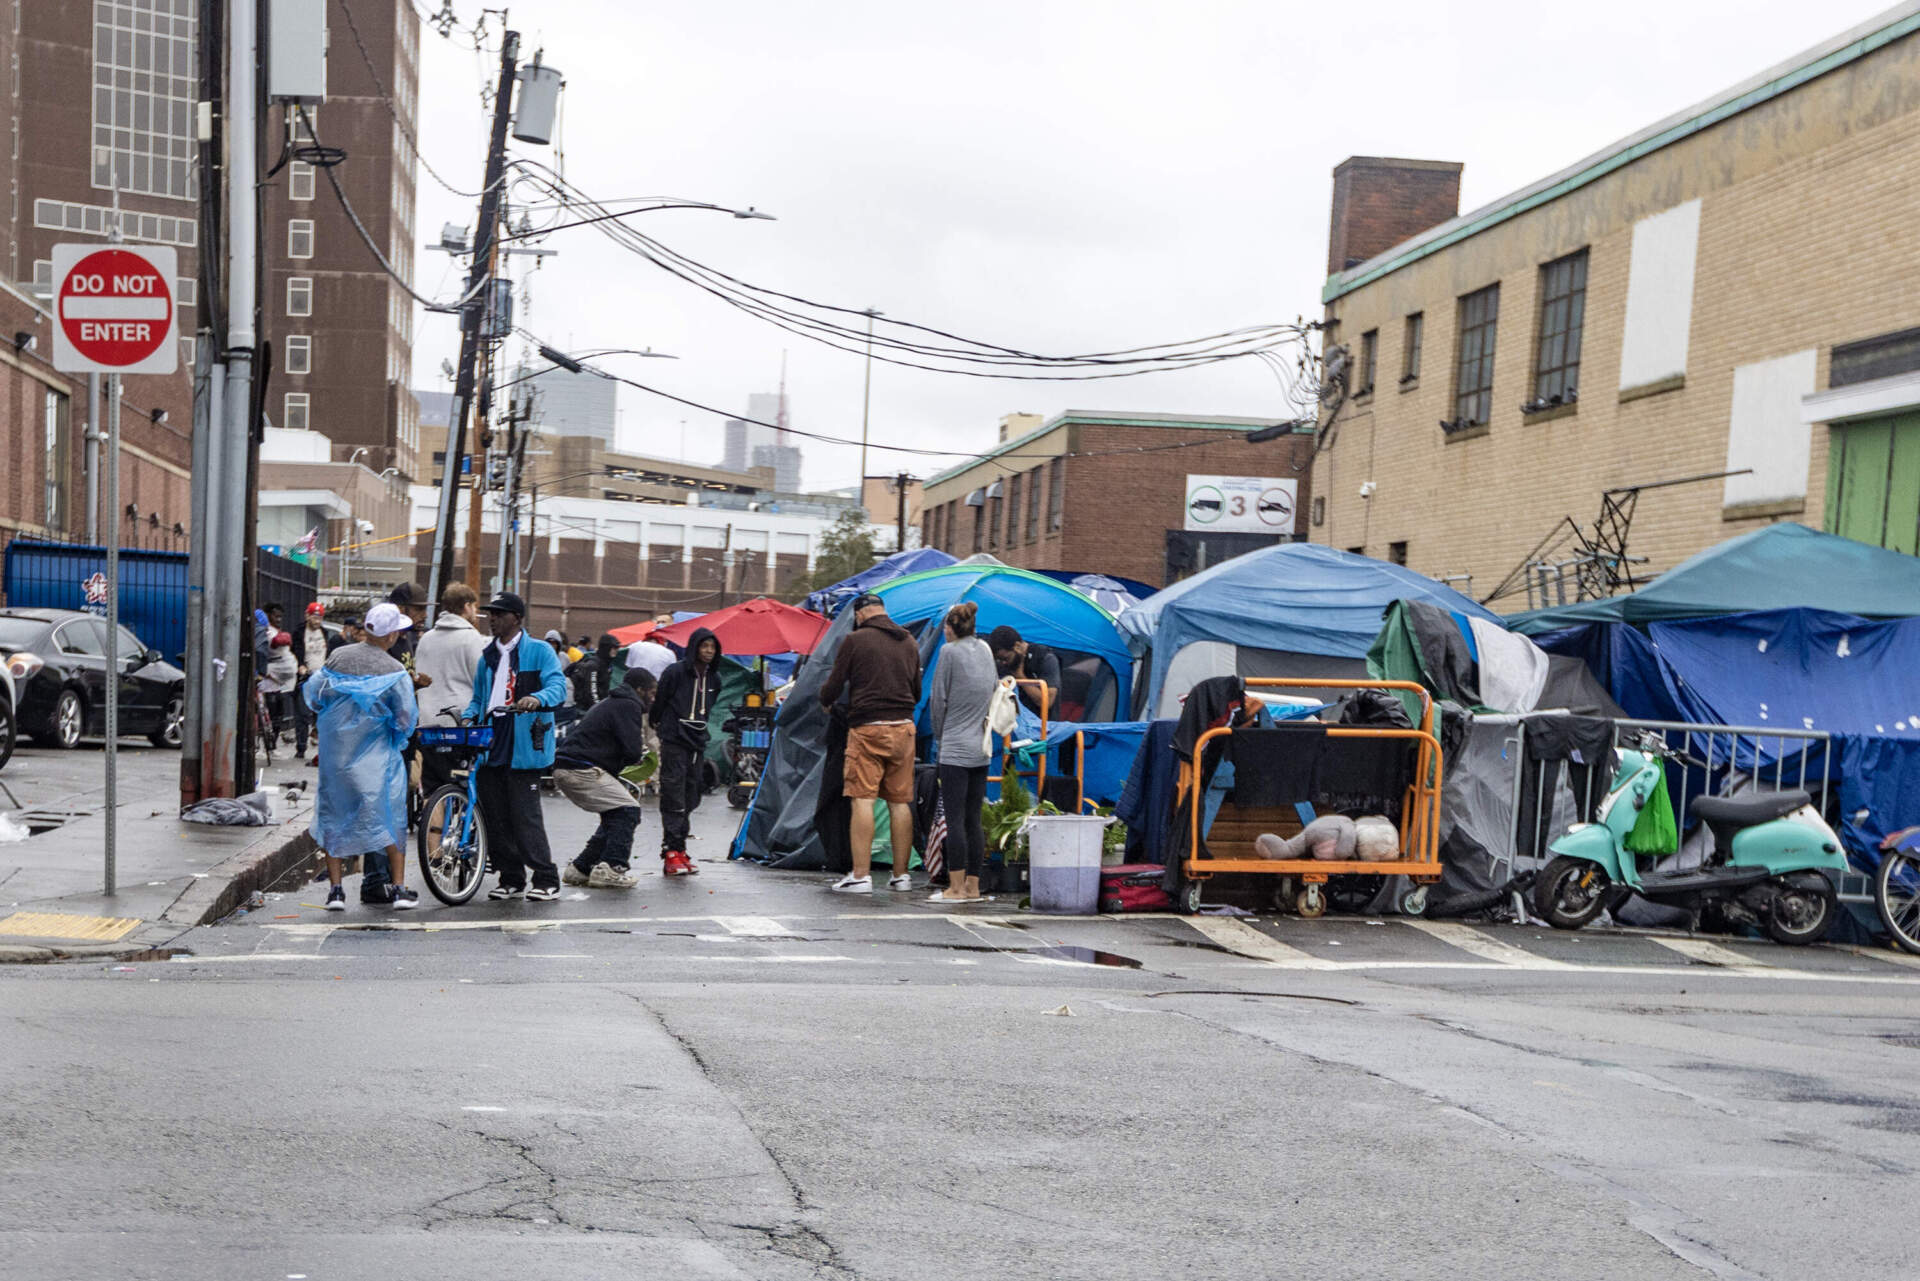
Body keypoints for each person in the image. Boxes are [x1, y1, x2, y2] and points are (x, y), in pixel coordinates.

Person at [304, 602, 419, 911]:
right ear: (392, 635)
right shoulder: (394, 670)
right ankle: (397, 889)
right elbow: (405, 717)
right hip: (378, 757)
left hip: (337, 755)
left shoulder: (338, 657)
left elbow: (315, 695)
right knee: (390, 815)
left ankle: (336, 891)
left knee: (334, 815)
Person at [464, 592, 569, 900]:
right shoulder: (487, 656)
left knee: (525, 815)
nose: (492, 618)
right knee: (495, 815)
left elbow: (557, 686)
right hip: (490, 737)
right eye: (490, 613)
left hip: (525, 739)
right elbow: (478, 698)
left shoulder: (539, 651)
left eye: (500, 613)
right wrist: (470, 716)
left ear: (517, 618)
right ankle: (511, 878)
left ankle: (546, 878)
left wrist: (537, 698)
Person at [817, 592, 923, 893]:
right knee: (900, 802)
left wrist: (825, 700)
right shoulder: (909, 641)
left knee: (862, 797)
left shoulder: (855, 640)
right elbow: (916, 691)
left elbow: (835, 684)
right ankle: (901, 875)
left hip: (867, 728)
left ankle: (861, 875)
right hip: (903, 729)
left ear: (860, 614)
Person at [556, 667, 657, 888]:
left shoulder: (611, 702)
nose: (653, 699)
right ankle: (612, 867)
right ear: (639, 690)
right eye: (651, 693)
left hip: (566, 766)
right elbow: (632, 750)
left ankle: (581, 868)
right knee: (629, 810)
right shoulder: (629, 705)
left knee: (615, 814)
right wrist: (640, 758)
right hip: (582, 769)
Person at [926, 602, 997, 903]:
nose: (943, 632)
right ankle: (973, 886)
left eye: (945, 627)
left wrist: (941, 737)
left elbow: (938, 700)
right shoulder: (986, 650)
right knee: (973, 818)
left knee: (954, 818)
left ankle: (954, 888)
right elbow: (994, 689)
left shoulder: (949, 652)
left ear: (952, 628)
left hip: (955, 746)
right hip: (981, 746)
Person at [650, 626, 723, 877]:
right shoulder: (675, 672)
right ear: (694, 647)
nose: (709, 651)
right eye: (704, 646)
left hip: (697, 740)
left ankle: (680, 847)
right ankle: (671, 850)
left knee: (692, 793)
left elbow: (709, 707)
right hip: (674, 738)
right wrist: (659, 724)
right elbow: (660, 701)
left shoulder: (715, 678)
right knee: (673, 793)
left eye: (712, 647)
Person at [413, 581, 488, 796]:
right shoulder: (471, 638)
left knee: (432, 790)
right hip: (458, 725)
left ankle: (430, 829)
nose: (475, 611)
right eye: (474, 606)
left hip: (428, 723)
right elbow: (480, 681)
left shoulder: (426, 639)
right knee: (459, 789)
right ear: (466, 606)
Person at [989, 625, 1062, 718]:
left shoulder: (1045, 659)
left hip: (1041, 726)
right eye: (999, 660)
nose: (1003, 663)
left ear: (1017, 646)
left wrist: (1020, 677)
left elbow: (1047, 701)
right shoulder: (1002, 666)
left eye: (1005, 658)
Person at [294, 602, 331, 760]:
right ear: (307, 616)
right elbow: (295, 650)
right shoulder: (299, 632)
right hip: (306, 677)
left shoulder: (324, 632)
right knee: (302, 713)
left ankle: (321, 747)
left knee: (321, 714)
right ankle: (301, 747)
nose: (317, 621)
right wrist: (300, 665)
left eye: (320, 617)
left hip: (321, 677)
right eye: (315, 617)